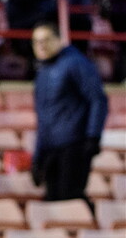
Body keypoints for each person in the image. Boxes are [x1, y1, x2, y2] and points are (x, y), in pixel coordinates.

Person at [31, 21, 109, 204]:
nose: (41, 46)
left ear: (59, 40)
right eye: (36, 42)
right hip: (51, 148)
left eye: (46, 40)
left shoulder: (76, 63)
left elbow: (97, 99)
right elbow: (43, 118)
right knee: (52, 199)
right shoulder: (42, 73)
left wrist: (93, 137)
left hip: (74, 144)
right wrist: (38, 156)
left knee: (70, 197)